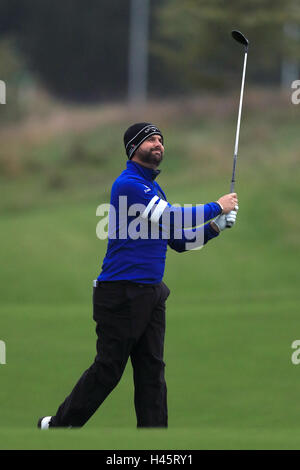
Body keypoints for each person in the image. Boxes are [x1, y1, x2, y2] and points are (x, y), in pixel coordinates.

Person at [38, 122, 238, 429]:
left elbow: (180, 242)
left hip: (151, 292)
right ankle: (59, 426)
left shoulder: (155, 189)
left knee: (152, 372)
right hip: (121, 293)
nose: (158, 144)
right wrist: (216, 206)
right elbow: (170, 216)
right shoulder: (128, 185)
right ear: (133, 149)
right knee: (108, 370)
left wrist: (215, 228)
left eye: (160, 139)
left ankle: (153, 440)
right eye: (150, 140)